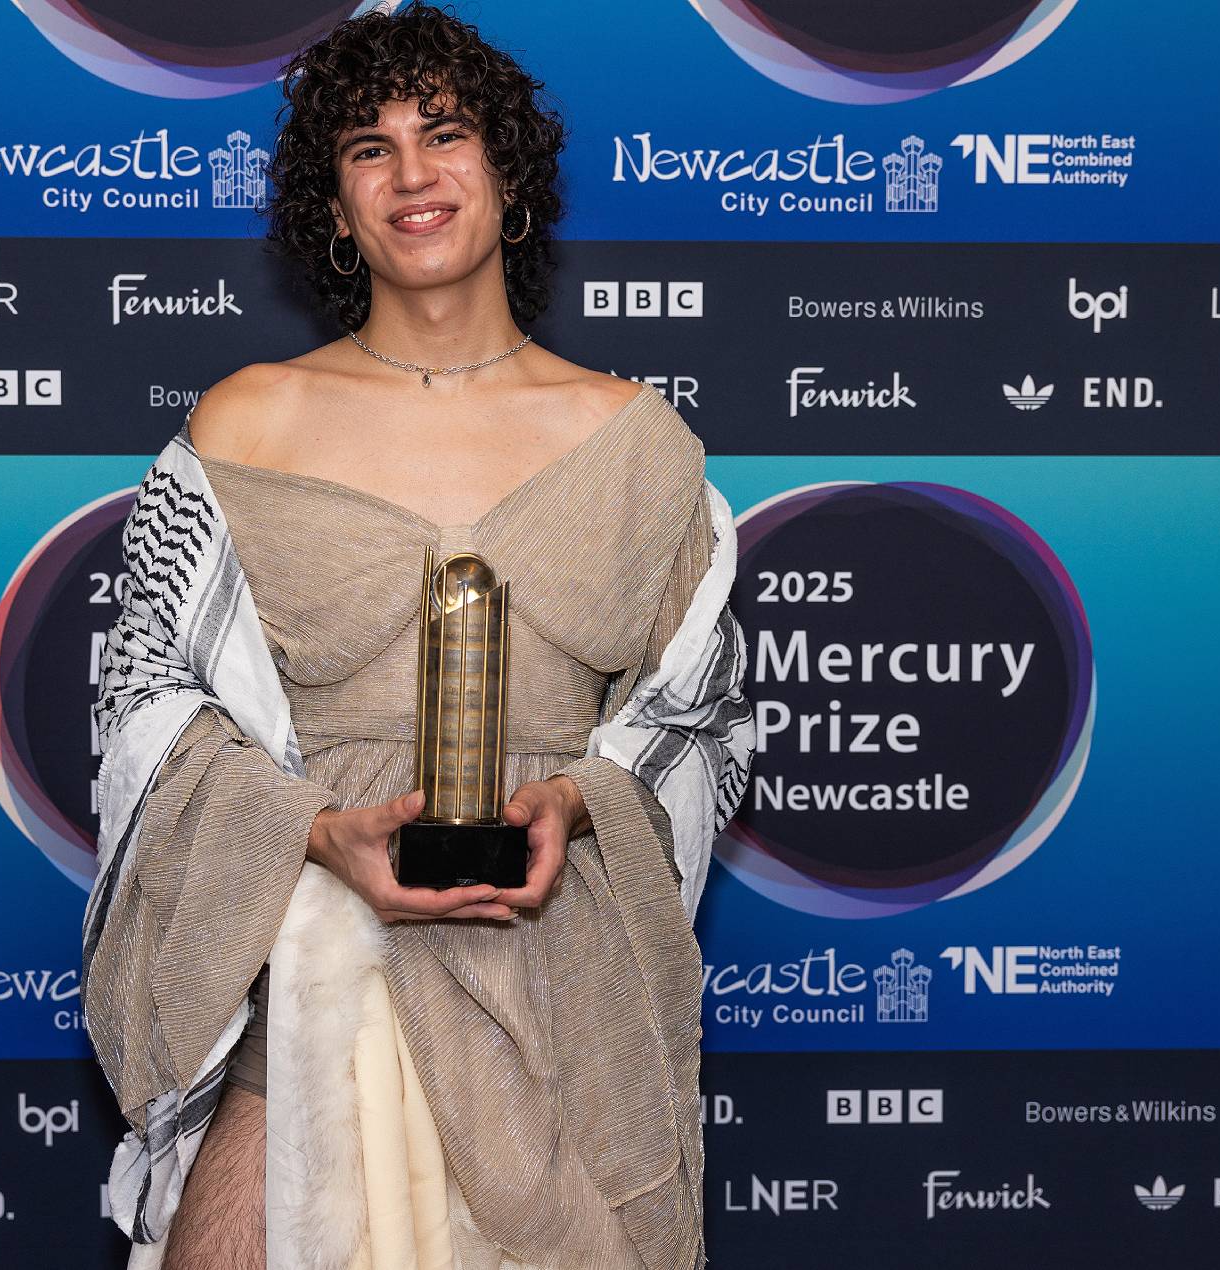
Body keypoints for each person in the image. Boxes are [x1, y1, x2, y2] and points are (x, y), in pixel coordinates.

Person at [82, 6, 755, 1268]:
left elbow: (700, 717)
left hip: (557, 965)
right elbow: (141, 700)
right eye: (367, 148)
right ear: (333, 208)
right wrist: (316, 832)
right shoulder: (244, 426)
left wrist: (572, 799)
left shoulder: (638, 443)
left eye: (443, 134)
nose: (411, 175)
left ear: (505, 172)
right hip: (307, 951)